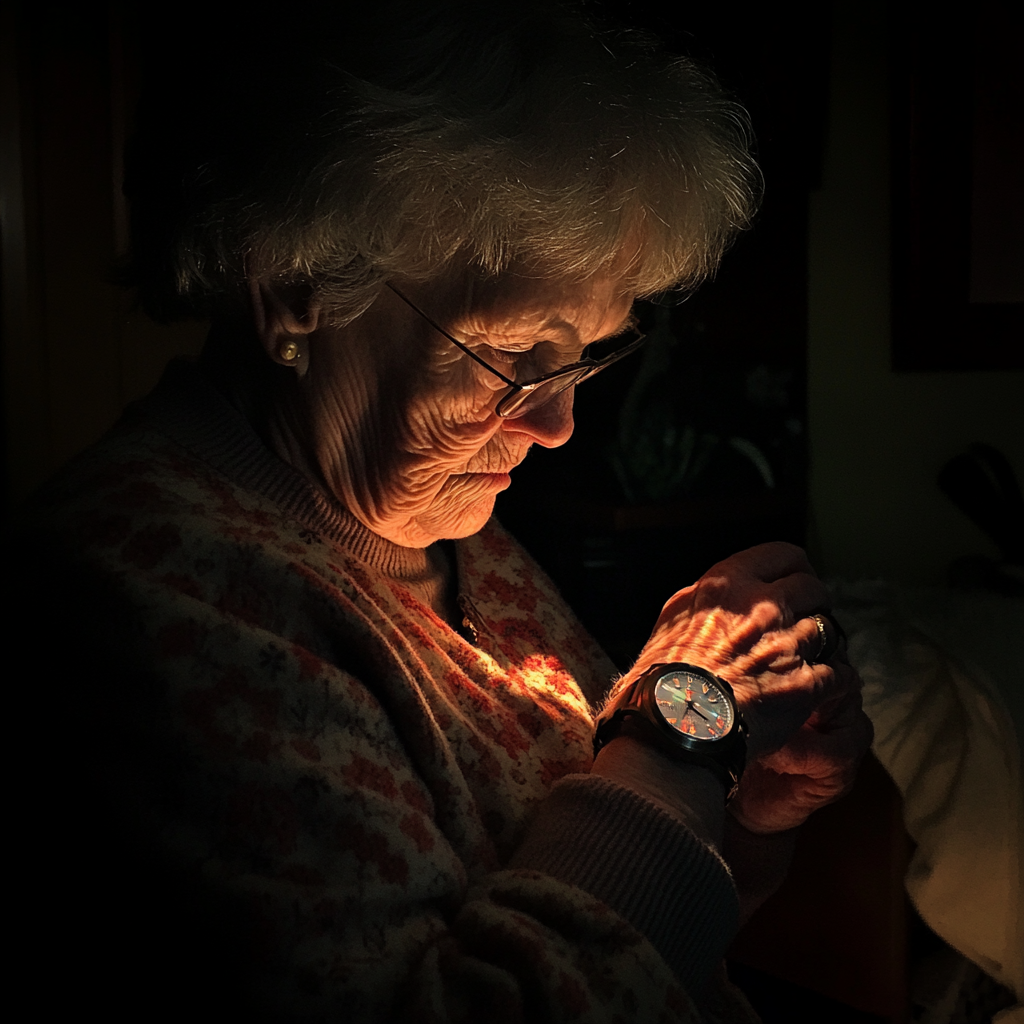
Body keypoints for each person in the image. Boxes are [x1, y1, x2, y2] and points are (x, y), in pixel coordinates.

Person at [15, 2, 872, 1021]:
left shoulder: (446, 530)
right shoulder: (138, 593)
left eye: (592, 353)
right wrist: (682, 728)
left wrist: (736, 815)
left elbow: (608, 938)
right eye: (515, 358)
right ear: (296, 287)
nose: (557, 425)